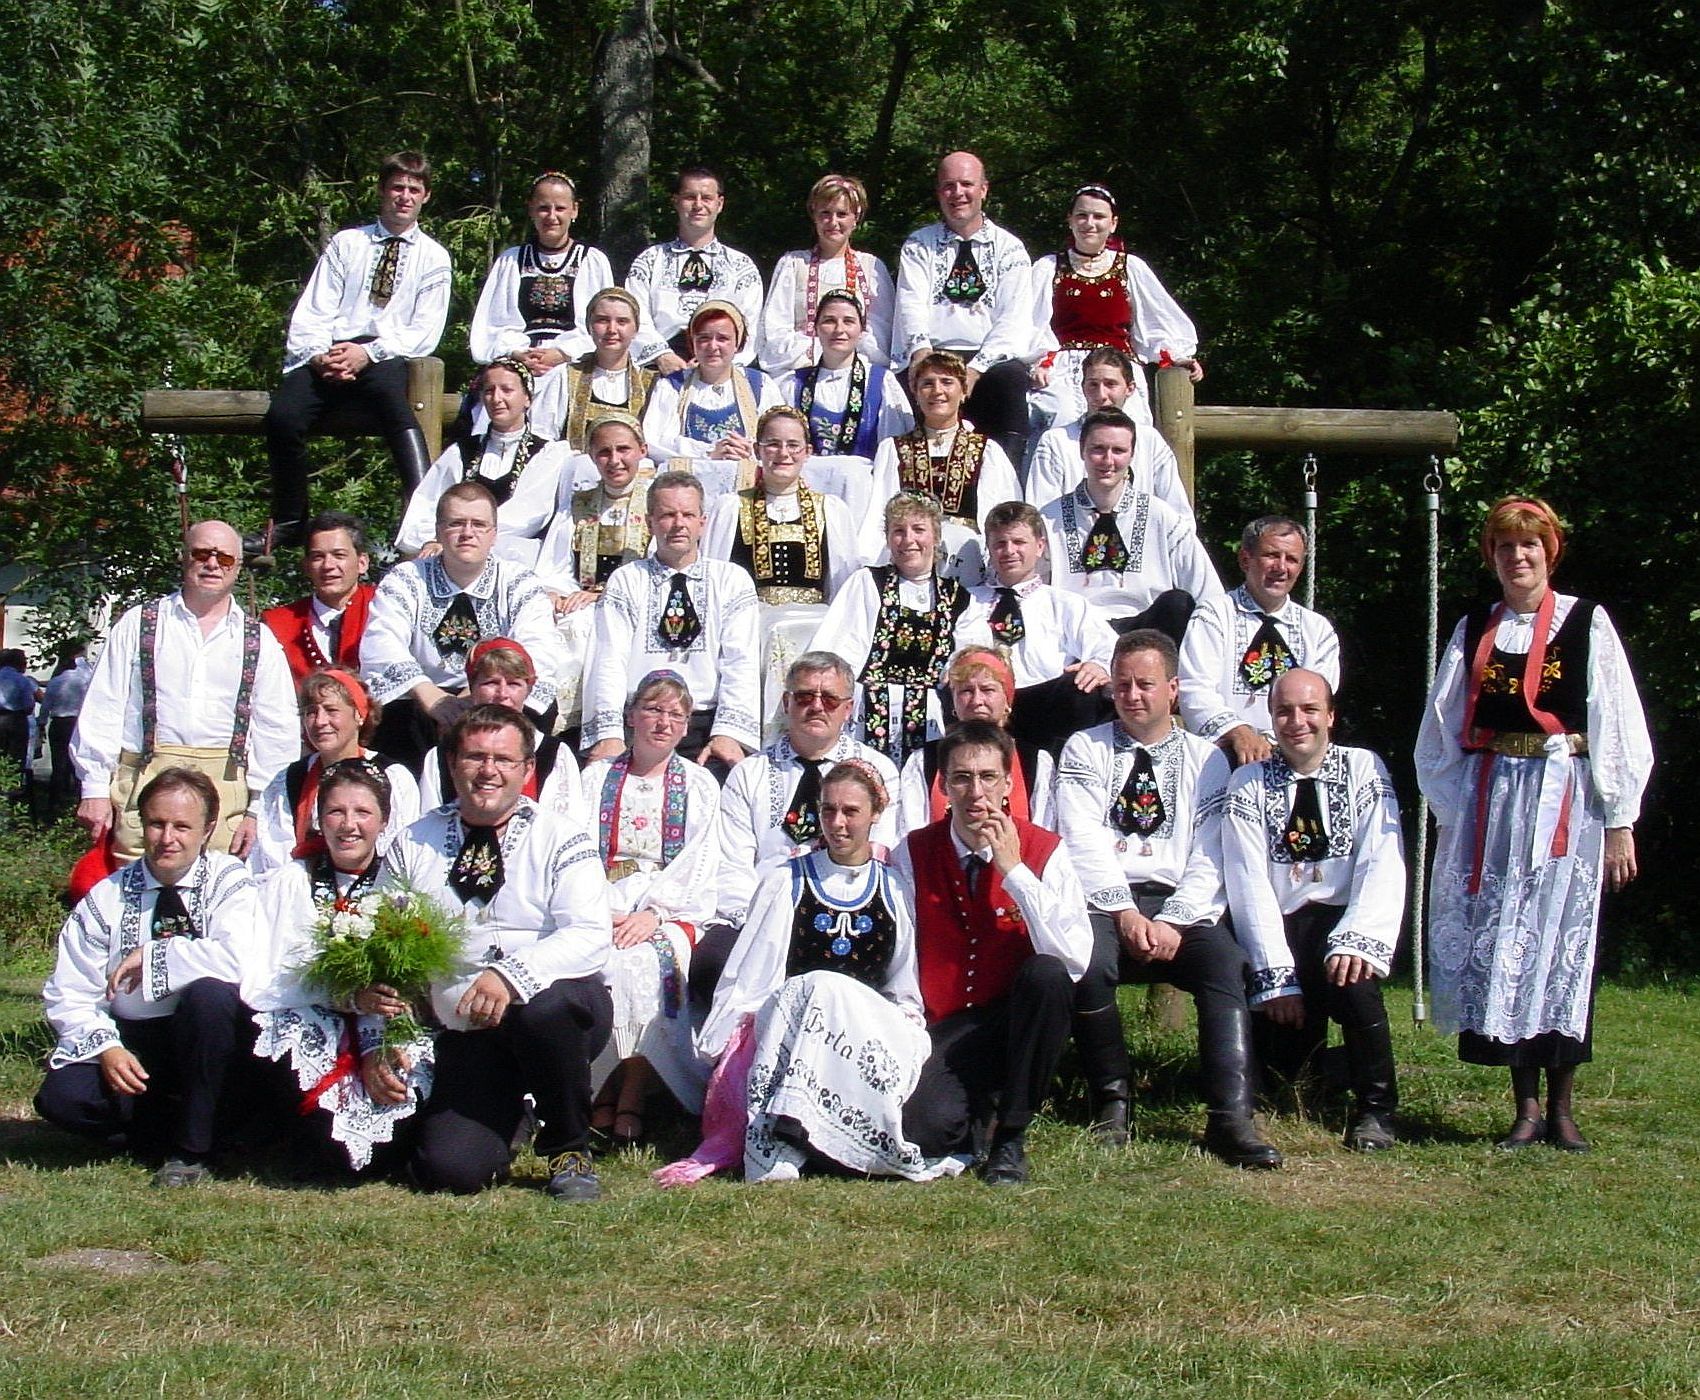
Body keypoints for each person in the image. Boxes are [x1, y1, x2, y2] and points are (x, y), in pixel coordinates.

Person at [1416, 496, 1652, 1152]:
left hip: (1566, 804)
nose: (1518, 558)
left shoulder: (1586, 624)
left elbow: (1616, 723)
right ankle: (1523, 1107)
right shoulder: (1474, 627)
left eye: (1530, 546)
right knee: (1507, 950)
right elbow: (1440, 733)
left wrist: (1619, 821)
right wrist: (1455, 816)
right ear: (1491, 556)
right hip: (1495, 803)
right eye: (1505, 547)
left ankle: (1564, 1106)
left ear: (1550, 551)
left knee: (1559, 951)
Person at [1056, 630, 1281, 1167]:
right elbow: (1080, 836)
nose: (1133, 695)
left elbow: (1211, 849)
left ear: (1174, 689)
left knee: (1226, 964)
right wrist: (1125, 912)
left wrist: (1174, 920)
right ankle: (1112, 1103)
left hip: (1183, 903)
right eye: (1124, 684)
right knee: (1086, 962)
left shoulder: (1209, 759)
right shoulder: (1084, 748)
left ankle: (1231, 1118)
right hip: (1105, 901)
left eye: (1146, 684)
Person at [382, 705, 614, 1199]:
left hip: (555, 1012)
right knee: (451, 1171)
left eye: (504, 759)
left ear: (527, 770)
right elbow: (387, 932)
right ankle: (515, 1115)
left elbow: (591, 934)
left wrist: (510, 976)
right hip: (466, 1031)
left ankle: (569, 1150)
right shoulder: (413, 841)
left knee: (545, 1013)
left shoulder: (561, 835)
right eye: (475, 757)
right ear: (452, 764)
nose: (489, 770)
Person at [700, 762, 961, 1181]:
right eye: (828, 811)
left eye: (851, 812)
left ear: (875, 813)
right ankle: (787, 1130)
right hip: (793, 1028)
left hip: (860, 1033)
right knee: (820, 986)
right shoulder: (787, 880)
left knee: (834, 991)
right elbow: (754, 969)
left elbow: (902, 981)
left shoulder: (894, 888)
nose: (837, 824)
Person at [37, 768, 261, 1187]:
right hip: (134, 1041)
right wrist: (107, 1049)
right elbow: (69, 990)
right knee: (63, 1099)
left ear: (208, 828)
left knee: (210, 995)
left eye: (182, 826)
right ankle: (173, 1128)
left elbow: (239, 959)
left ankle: (190, 1150)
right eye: (157, 823)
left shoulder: (229, 880)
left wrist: (157, 955)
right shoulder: (108, 895)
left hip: (207, 1041)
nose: (167, 838)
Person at [892, 722, 1092, 1185]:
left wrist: (1015, 870)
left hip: (1015, 1021)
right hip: (943, 1024)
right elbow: (901, 954)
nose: (975, 792)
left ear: (1006, 784)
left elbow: (1076, 959)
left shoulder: (1045, 849)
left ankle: (1010, 1137)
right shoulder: (914, 851)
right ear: (943, 785)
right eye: (961, 778)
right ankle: (980, 1107)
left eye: (987, 777)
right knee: (925, 1131)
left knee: (1047, 974)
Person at [1220, 669, 1406, 1152]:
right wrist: (1276, 975)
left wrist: (1358, 937)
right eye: (1284, 711)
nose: (1296, 721)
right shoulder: (1248, 782)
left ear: (1330, 716)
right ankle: (1327, 1069)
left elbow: (1381, 859)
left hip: (1342, 921)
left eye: (1309, 710)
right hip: (1279, 929)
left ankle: (1377, 1108)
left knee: (1356, 984)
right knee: (1287, 1080)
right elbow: (1247, 880)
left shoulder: (1364, 767)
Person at [255, 151, 450, 555]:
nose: (404, 197)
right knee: (283, 416)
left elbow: (424, 331)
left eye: (414, 190)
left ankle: (425, 516)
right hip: (330, 350)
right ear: (382, 191)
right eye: (397, 187)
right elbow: (315, 307)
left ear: (426, 197)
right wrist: (317, 356)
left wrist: (369, 353)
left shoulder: (434, 257)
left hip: (386, 354)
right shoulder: (349, 243)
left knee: (394, 409)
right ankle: (290, 522)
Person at [72, 520, 298, 861]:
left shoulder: (259, 641)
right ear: (184, 557)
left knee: (218, 894)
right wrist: (93, 788)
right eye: (202, 553)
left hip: (226, 789)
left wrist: (258, 810)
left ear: (237, 567)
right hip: (143, 782)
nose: (212, 564)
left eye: (223, 558)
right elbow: (103, 708)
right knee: (136, 895)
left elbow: (276, 733)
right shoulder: (139, 623)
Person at [241, 761, 427, 1173]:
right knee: (325, 1153)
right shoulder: (292, 881)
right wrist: (343, 995)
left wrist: (380, 1035)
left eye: (362, 812)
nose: (349, 825)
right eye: (336, 812)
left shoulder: (401, 887)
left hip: (388, 1026)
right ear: (319, 820)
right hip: (316, 1022)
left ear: (384, 820)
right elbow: (266, 975)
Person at [697, 652, 901, 1006]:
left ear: (848, 708)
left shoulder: (879, 771)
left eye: (830, 699)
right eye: (805, 697)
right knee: (710, 965)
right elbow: (733, 864)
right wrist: (758, 925)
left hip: (847, 913)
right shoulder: (750, 774)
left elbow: (881, 857)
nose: (817, 707)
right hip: (758, 915)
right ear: (786, 702)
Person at [581, 672, 722, 1147]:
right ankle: (602, 1086)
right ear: (632, 716)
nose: (663, 723)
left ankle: (632, 1094)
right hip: (601, 904)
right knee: (603, 960)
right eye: (653, 710)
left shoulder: (699, 785)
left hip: (666, 908)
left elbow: (700, 860)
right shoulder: (595, 778)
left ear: (686, 728)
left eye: (675, 715)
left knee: (645, 962)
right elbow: (575, 849)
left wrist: (655, 913)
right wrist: (597, 908)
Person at [361, 481, 566, 770]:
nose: (467, 533)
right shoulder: (406, 579)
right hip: (423, 702)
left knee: (536, 699)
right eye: (456, 523)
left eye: (479, 524)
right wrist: (431, 697)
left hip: (495, 695)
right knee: (390, 710)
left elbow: (538, 648)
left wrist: (476, 696)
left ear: (494, 534)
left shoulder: (519, 582)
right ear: (438, 530)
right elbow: (381, 642)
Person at [582, 472, 761, 774]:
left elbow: (740, 661)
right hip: (637, 726)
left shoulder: (731, 580)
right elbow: (608, 658)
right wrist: (609, 735)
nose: (679, 524)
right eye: (667, 515)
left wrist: (728, 734)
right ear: (650, 522)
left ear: (702, 522)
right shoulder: (627, 579)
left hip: (703, 726)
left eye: (688, 514)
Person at [810, 492, 992, 767]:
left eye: (919, 530)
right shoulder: (867, 583)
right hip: (867, 715)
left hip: (935, 721)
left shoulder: (960, 599)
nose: (908, 540)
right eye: (898, 531)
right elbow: (839, 653)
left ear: (936, 536)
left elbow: (970, 663)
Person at [893, 151, 1035, 469]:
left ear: (984, 189)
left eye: (967, 184)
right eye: (949, 185)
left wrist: (974, 371)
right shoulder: (918, 245)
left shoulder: (1010, 248)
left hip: (989, 365)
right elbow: (910, 304)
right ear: (938, 193)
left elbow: (1013, 319)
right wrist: (922, 358)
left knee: (1011, 381)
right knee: (908, 385)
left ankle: (1005, 492)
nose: (958, 193)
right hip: (932, 355)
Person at [1028, 184, 1202, 432]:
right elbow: (1028, 323)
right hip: (1064, 372)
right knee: (1060, 424)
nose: (1089, 223)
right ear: (1070, 219)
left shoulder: (1131, 268)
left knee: (1128, 430)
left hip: (1118, 369)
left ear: (1113, 223)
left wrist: (1177, 355)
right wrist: (1038, 361)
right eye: (1082, 215)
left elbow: (1159, 320)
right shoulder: (1048, 268)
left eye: (1099, 216)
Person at [1038, 408, 1223, 642]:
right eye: (1098, 449)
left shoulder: (1162, 517)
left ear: (1132, 454)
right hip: (1075, 636)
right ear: (1082, 450)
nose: (1108, 460)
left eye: (1118, 451)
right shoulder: (1048, 518)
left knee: (1178, 602)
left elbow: (1208, 592)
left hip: (1147, 635)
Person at [1179, 515, 1341, 770]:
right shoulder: (1213, 615)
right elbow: (1194, 689)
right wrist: (1238, 732)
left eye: (1292, 559)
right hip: (1223, 756)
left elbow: (1319, 702)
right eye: (1271, 555)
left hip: (1295, 757)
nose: (1281, 567)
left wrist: (1274, 742)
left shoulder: (1318, 630)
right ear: (1245, 559)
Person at [467, 172, 617, 436]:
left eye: (560, 208)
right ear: (532, 211)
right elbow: (492, 323)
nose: (552, 216)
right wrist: (517, 353)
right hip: (518, 359)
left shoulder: (592, 261)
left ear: (574, 210)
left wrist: (561, 353)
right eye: (543, 208)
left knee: (557, 389)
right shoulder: (512, 260)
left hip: (572, 361)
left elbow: (603, 324)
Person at [395, 357, 572, 573]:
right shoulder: (460, 451)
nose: (496, 398)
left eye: (507, 390)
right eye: (489, 391)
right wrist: (433, 539)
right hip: (454, 553)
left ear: (527, 398)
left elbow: (531, 513)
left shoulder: (549, 453)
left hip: (514, 559)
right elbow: (427, 503)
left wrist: (467, 537)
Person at [967, 500, 1116, 754]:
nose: (1009, 551)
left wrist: (1098, 665)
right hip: (983, 706)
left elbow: (1109, 648)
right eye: (1000, 544)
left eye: (1019, 542)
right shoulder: (969, 601)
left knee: (1082, 688)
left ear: (1040, 546)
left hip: (1047, 709)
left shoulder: (1065, 604)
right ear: (989, 550)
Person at [248, 668, 421, 876]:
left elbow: (399, 852)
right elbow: (273, 856)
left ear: (359, 714)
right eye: (311, 712)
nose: (320, 721)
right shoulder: (290, 779)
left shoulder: (393, 777)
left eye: (331, 710)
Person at [860, 350, 1021, 572]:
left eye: (947, 382)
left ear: (964, 391)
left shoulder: (986, 450)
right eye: (927, 383)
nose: (937, 391)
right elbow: (879, 509)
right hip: (910, 556)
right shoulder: (894, 449)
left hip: (967, 559)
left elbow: (999, 511)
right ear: (915, 394)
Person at [415, 639, 585, 828]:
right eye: (491, 682)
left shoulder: (553, 754)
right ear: (472, 687)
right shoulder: (440, 756)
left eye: (514, 684)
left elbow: (566, 827)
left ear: (528, 689)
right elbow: (430, 825)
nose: (502, 693)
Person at [773, 290, 914, 514]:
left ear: (861, 330)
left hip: (862, 500)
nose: (839, 330)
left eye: (848, 321)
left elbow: (893, 456)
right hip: (805, 497)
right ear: (815, 329)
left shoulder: (881, 382)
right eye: (829, 321)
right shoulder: (793, 384)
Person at [704, 407, 861, 605]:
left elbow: (844, 587)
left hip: (812, 626)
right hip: (749, 625)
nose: (783, 453)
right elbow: (713, 580)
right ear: (757, 450)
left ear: (808, 452)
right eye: (773, 444)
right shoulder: (730, 508)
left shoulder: (831, 511)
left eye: (793, 445)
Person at [895, 646, 1056, 837]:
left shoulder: (1036, 762)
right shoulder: (925, 761)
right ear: (953, 701)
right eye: (966, 691)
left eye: (988, 689)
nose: (977, 700)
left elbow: (1043, 833)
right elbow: (911, 834)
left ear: (1007, 700)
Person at [1023, 348, 1189, 519]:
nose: (1101, 395)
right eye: (1093, 384)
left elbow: (1178, 514)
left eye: (1110, 384)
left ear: (1130, 388)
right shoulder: (1056, 442)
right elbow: (1041, 514)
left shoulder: (1150, 441)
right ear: (1083, 387)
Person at [625, 166, 764, 371]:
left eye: (706, 198)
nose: (698, 205)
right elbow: (634, 316)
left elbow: (749, 326)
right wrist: (663, 356)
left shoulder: (741, 266)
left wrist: (716, 365)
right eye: (690, 197)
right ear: (676, 201)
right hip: (658, 369)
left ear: (720, 203)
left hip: (722, 370)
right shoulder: (649, 261)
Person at [759, 174, 896, 373]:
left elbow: (882, 332)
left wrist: (844, 353)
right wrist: (818, 351)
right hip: (799, 371)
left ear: (855, 218)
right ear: (814, 216)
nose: (833, 222)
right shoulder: (793, 264)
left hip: (856, 373)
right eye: (825, 213)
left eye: (841, 214)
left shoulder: (871, 267)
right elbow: (774, 328)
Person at [640, 301, 783, 468]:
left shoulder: (760, 385)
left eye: (722, 338)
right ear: (692, 343)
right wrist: (709, 452)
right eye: (704, 338)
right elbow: (655, 441)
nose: (713, 346)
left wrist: (748, 449)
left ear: (737, 343)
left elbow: (779, 436)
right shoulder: (672, 386)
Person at [261, 512, 378, 683]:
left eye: (339, 555)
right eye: (318, 557)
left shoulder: (384, 606)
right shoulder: (277, 624)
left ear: (362, 563)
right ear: (306, 566)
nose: (328, 566)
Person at [551, 288, 660, 450]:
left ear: (635, 329)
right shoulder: (565, 375)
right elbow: (545, 436)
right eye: (602, 320)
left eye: (622, 322)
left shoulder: (653, 383)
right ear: (589, 326)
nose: (612, 330)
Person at [43, 641, 93, 812]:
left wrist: (41, 724)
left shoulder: (57, 680)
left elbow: (46, 706)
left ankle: (55, 801)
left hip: (59, 723)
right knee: (78, 763)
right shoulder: (88, 678)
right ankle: (77, 801)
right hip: (78, 722)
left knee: (58, 763)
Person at [0, 648, 40, 799]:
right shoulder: (21, 680)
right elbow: (29, 705)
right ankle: (11, 792)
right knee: (16, 756)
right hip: (15, 720)